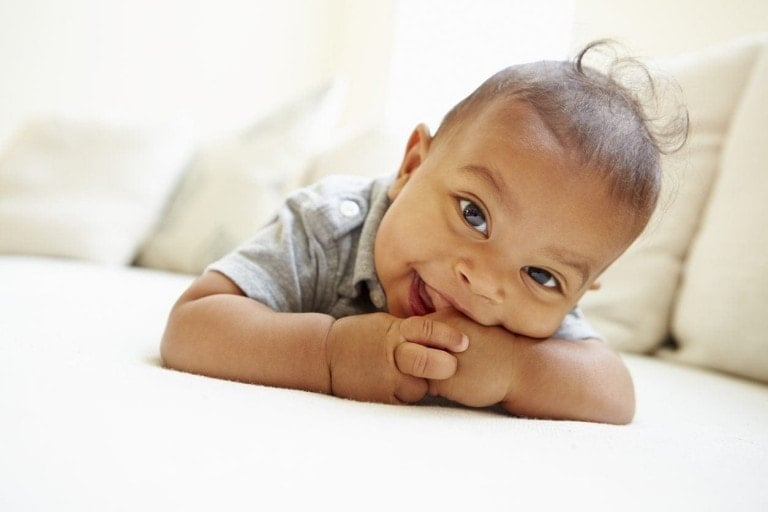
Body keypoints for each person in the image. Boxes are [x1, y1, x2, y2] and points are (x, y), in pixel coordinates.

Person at [160, 41, 687, 424]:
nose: (483, 283)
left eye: (541, 274)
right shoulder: (326, 226)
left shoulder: (535, 317)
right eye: (474, 215)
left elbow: (615, 395)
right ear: (412, 165)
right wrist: (330, 353)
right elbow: (192, 325)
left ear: (575, 292)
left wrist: (517, 371)